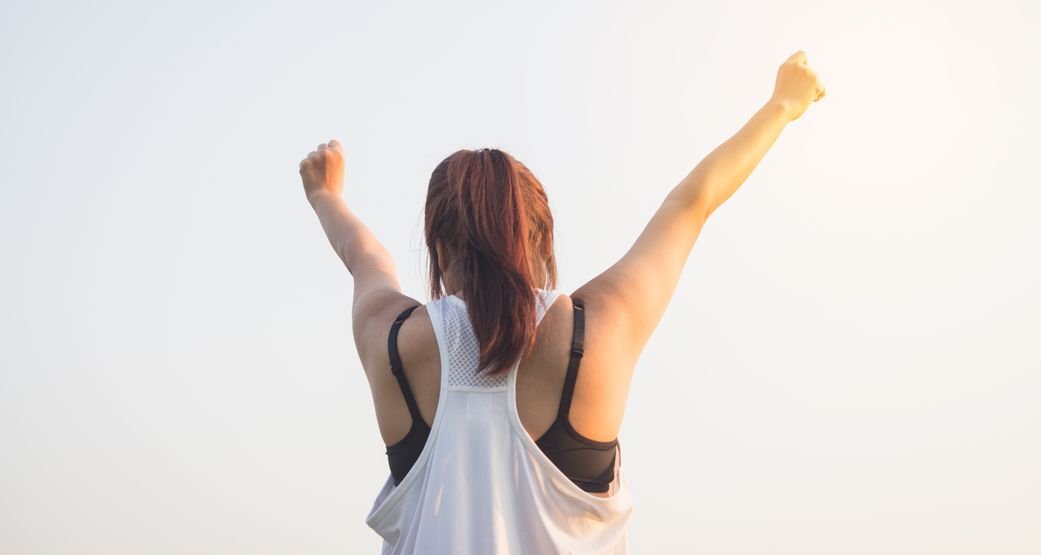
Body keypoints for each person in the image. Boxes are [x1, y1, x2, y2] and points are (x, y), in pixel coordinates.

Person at [298, 50, 826, 555]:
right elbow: (690, 205)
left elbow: (364, 254)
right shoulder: (596, 331)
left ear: (438, 245)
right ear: (541, 239)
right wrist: (782, 106)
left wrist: (327, 196)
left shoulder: (392, 340)